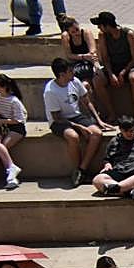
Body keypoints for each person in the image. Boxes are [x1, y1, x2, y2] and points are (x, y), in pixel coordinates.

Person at [43, 58, 108, 188]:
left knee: (96, 133)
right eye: (70, 71)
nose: (73, 73)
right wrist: (79, 126)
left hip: (76, 116)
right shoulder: (50, 91)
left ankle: (82, 170)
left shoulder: (75, 82)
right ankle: (75, 169)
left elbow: (87, 101)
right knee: (73, 136)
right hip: (59, 121)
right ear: (62, 74)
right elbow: (56, 117)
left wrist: (98, 120)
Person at [93, 12, 134, 123]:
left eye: (100, 25)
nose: (98, 27)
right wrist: (111, 74)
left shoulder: (129, 34)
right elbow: (105, 58)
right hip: (113, 67)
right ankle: (112, 113)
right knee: (97, 80)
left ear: (107, 25)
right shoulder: (102, 35)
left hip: (129, 66)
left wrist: (123, 72)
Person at [60, 17, 108, 119]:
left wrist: (88, 58)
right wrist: (82, 56)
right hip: (76, 65)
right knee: (85, 86)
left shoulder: (86, 33)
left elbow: (92, 51)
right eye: (73, 32)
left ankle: (108, 111)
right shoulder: (65, 37)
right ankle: (94, 114)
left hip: (90, 62)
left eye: (77, 29)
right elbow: (69, 55)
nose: (76, 33)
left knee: (97, 81)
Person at [0, 74, 28, 158]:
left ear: (3, 86)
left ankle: (10, 166)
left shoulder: (14, 101)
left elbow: (19, 120)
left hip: (16, 127)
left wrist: (1, 121)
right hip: (3, 126)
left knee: (3, 146)